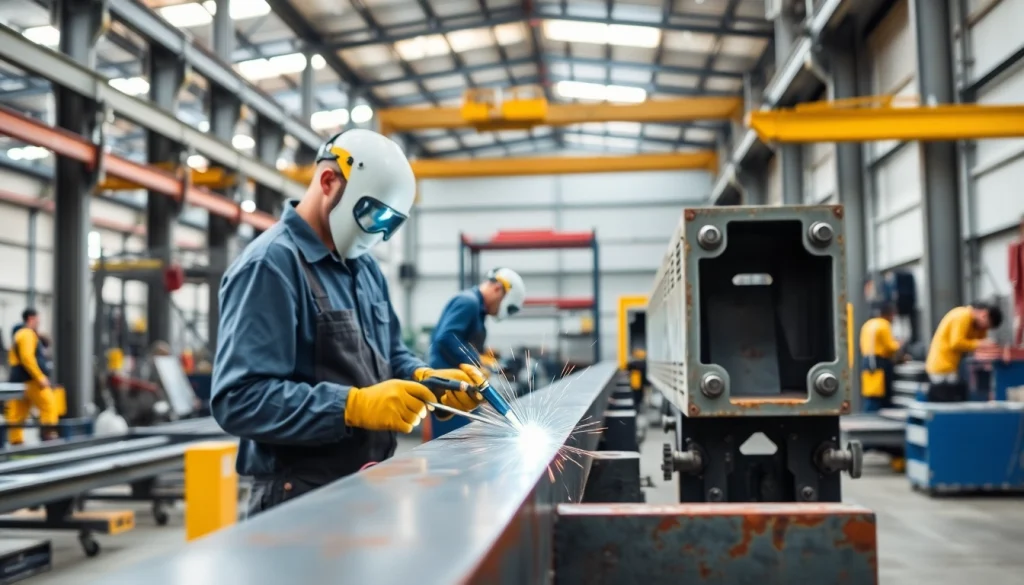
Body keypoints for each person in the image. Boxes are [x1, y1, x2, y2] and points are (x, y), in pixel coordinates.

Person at [211, 129, 484, 517]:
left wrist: (431, 382)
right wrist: (351, 405)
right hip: (297, 501)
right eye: (374, 215)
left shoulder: (365, 268)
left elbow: (390, 353)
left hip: (366, 483)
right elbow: (238, 400)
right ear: (329, 182)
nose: (379, 233)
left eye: (391, 224)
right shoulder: (271, 266)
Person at [426, 268, 525, 438]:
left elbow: (463, 342)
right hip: (449, 391)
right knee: (451, 445)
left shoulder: (476, 309)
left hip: (460, 389)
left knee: (463, 442)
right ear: (497, 289)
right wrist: (475, 363)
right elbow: (447, 337)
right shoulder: (468, 302)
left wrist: (488, 360)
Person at [924, 303, 1003, 402]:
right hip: (941, 367)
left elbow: (981, 342)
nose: (984, 329)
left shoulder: (976, 325)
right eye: (986, 325)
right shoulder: (962, 316)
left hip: (953, 367)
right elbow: (956, 343)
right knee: (945, 401)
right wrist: (980, 344)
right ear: (984, 314)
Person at [6, 308, 60, 444]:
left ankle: (16, 443)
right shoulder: (27, 334)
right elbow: (27, 358)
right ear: (31, 318)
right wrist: (40, 377)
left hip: (19, 381)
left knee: (18, 413)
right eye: (38, 318)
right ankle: (48, 438)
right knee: (49, 404)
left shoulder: (20, 335)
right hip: (31, 380)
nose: (39, 321)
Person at [860, 305, 902, 413]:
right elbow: (890, 346)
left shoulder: (868, 324)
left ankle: (869, 414)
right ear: (890, 314)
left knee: (871, 392)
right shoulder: (884, 325)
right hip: (880, 362)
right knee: (882, 394)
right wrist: (899, 344)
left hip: (867, 360)